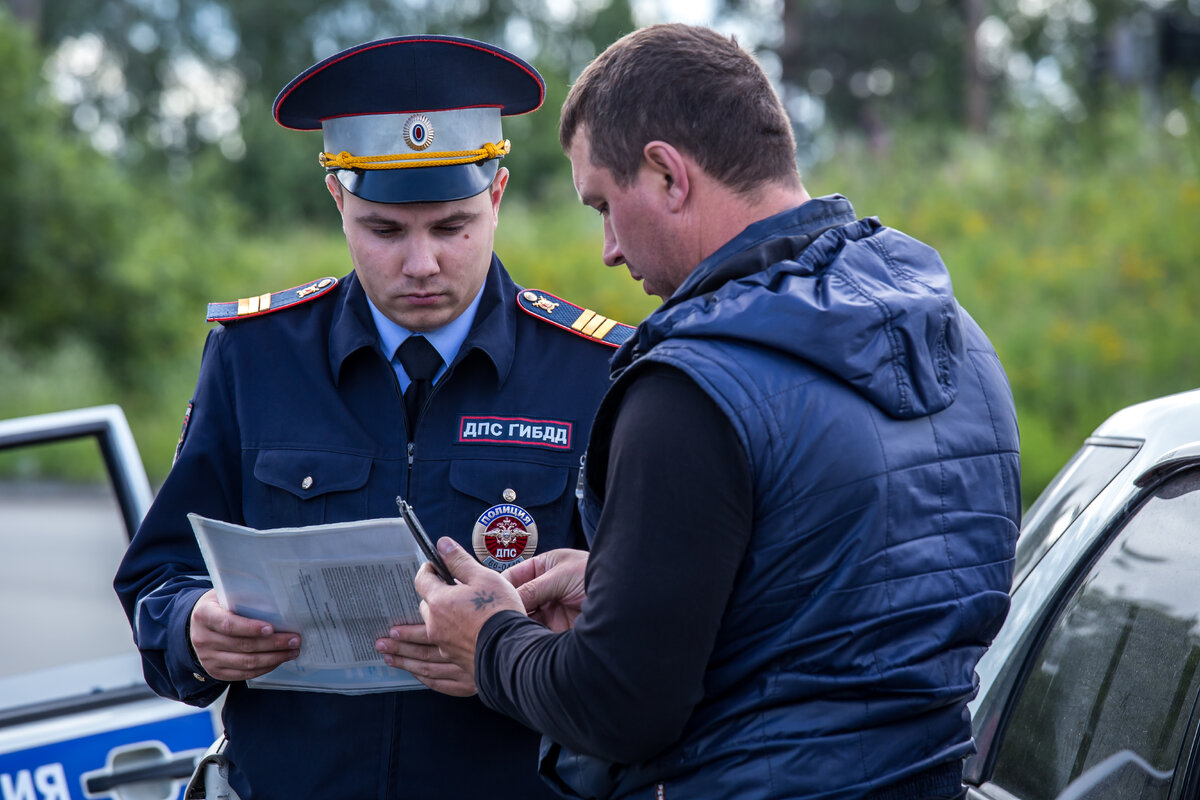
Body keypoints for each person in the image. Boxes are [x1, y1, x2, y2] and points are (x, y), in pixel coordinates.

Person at [415, 23, 1022, 800]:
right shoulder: (959, 340)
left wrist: (490, 640)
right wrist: (623, 581)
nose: (606, 248)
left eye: (604, 203)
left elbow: (619, 705)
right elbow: (828, 606)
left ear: (668, 174)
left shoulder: (690, 390)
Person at [114, 35, 630, 800]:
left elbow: (640, 623)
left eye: (451, 227)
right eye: (385, 230)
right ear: (338, 201)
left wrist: (510, 653)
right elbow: (157, 576)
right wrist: (192, 626)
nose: (420, 263)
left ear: (496, 196)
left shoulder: (592, 371)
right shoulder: (255, 358)